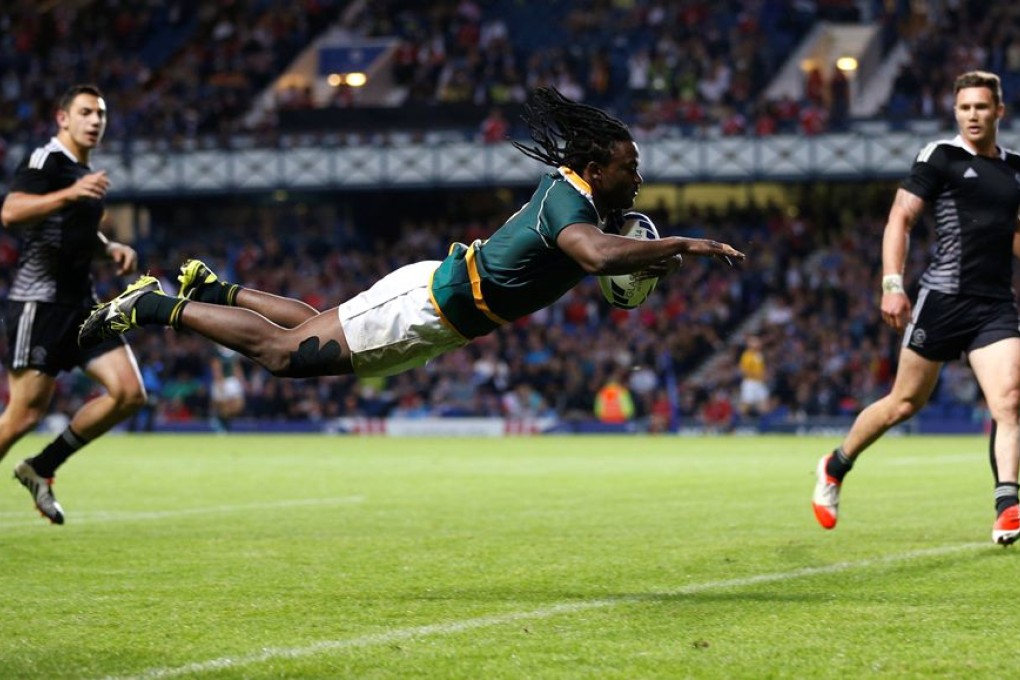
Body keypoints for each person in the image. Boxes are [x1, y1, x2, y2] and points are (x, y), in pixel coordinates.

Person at [78, 87, 744, 392]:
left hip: (439, 312)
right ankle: (154, 306)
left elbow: (607, 269)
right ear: (598, 168)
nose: (639, 175)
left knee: (312, 329)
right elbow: (597, 259)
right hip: (430, 306)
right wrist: (683, 243)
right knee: (287, 356)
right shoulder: (570, 201)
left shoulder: (580, 201)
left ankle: (215, 289)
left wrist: (657, 257)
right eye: (630, 166)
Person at [811, 71, 1020, 546]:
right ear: (955, 111)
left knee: (1009, 400)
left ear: (999, 112)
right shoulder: (940, 157)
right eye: (965, 107)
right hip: (943, 299)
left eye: (982, 107)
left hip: (995, 305)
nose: (973, 115)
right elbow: (900, 218)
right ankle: (836, 464)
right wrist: (892, 283)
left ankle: (1007, 505)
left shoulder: (1016, 170)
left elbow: (1013, 234)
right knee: (903, 404)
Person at [0, 84, 145, 524]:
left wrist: (109, 248)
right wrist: (71, 192)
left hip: (81, 303)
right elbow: (11, 211)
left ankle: (41, 468)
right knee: (23, 415)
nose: (95, 120)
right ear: (63, 118)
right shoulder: (46, 161)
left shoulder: (84, 174)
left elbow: (73, 229)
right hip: (39, 303)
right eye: (85, 112)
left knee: (130, 393)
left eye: (100, 113)